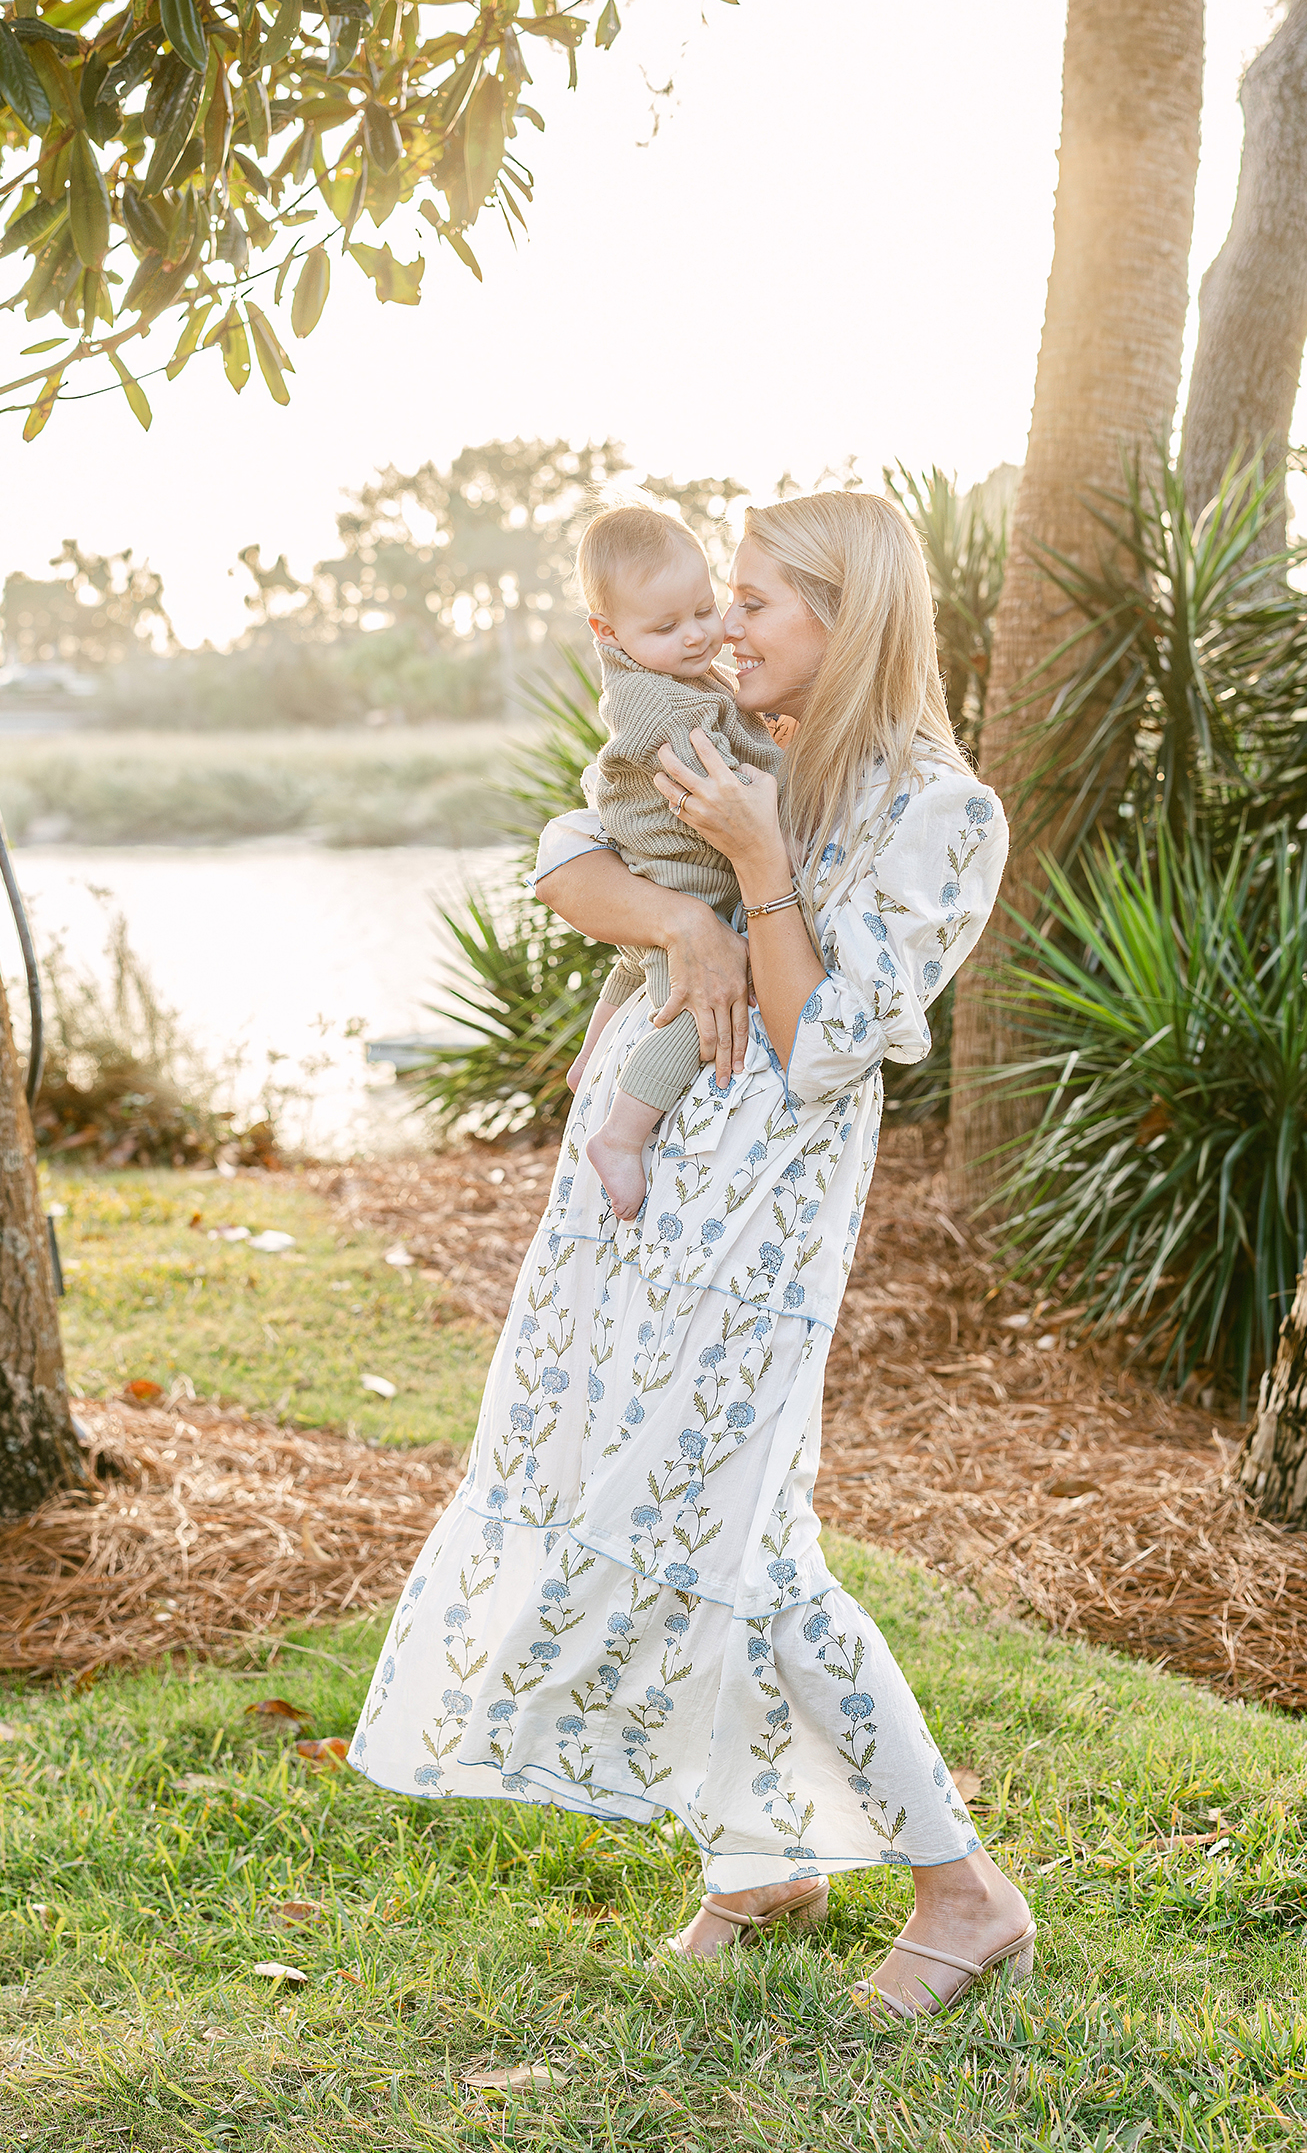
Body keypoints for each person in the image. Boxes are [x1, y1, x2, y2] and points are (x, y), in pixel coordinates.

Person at [349, 490, 1032, 2020]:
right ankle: (756, 1863)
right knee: (662, 1511)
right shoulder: (715, 730)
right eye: (717, 598)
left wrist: (756, 867)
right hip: (629, 1196)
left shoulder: (940, 811)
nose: (724, 626)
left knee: (743, 1547)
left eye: (757, 602)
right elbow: (562, 862)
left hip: (758, 1228)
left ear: (847, 620)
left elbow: (825, 1044)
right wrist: (682, 916)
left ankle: (962, 1891)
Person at [565, 503, 783, 1223]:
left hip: (658, 870)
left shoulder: (676, 670)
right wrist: (790, 754)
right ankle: (622, 1136)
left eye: (702, 609)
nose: (696, 635)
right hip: (681, 874)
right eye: (666, 627)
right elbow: (728, 770)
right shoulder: (660, 709)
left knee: (631, 966)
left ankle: (587, 1062)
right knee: (691, 1008)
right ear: (609, 632)